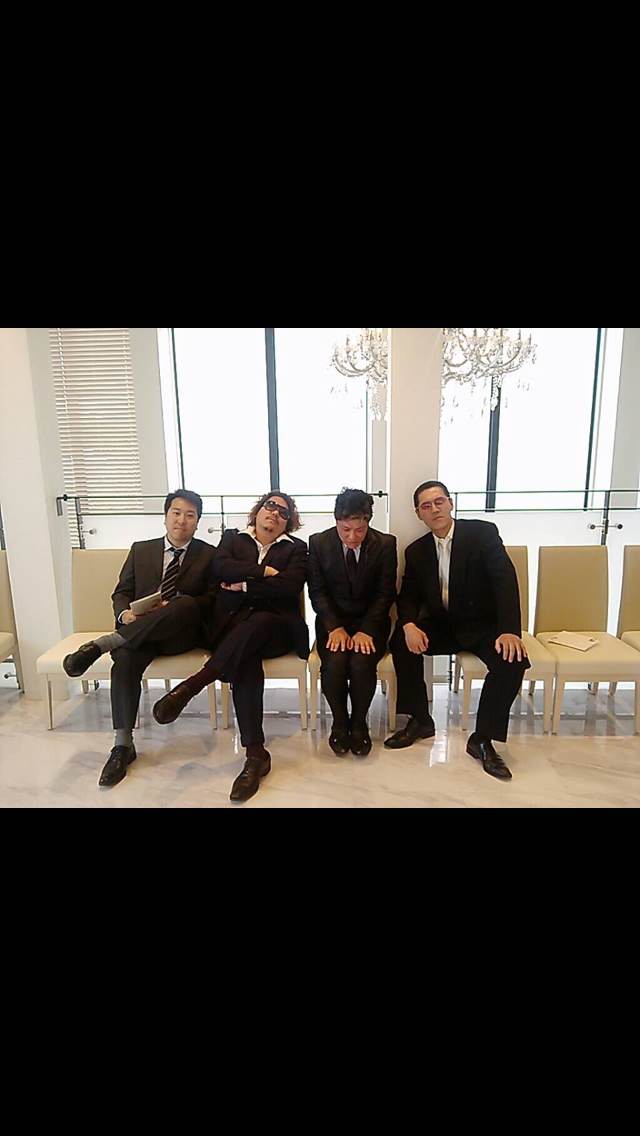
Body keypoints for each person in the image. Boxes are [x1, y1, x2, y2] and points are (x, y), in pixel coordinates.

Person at [152, 492, 309, 803]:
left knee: (261, 621)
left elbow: (289, 586)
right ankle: (255, 755)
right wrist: (264, 573)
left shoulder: (297, 548)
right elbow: (222, 569)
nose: (274, 513)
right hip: (234, 628)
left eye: (283, 511)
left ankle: (194, 684)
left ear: (288, 521)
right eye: (270, 506)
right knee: (245, 656)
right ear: (258, 511)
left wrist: (245, 584)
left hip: (278, 629)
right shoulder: (232, 539)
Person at [63, 490, 215, 787]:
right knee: (125, 660)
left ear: (197, 522)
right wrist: (125, 615)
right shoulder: (141, 549)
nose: (181, 520)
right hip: (139, 634)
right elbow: (122, 592)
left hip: (180, 634)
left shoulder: (209, 554)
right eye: (176, 513)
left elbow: (212, 600)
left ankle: (102, 644)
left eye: (190, 515)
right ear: (165, 516)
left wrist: (173, 606)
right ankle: (122, 746)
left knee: (185, 603)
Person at [384, 481, 529, 780]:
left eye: (439, 502)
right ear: (418, 513)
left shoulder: (482, 533)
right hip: (442, 625)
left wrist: (509, 630)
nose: (434, 509)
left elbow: (504, 580)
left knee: (512, 660)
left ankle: (483, 739)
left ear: (450, 503)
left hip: (482, 625)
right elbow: (408, 594)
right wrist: (408, 624)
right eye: (426, 506)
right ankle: (420, 720)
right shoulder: (416, 551)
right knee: (400, 641)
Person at [308, 488, 396, 756]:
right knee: (334, 663)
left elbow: (385, 593)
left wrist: (367, 630)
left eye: (359, 530)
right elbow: (317, 592)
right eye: (346, 530)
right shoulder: (319, 543)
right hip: (332, 622)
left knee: (360, 663)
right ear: (336, 520)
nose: (352, 537)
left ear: (368, 521)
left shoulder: (385, 544)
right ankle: (339, 722)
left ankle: (358, 724)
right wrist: (334, 627)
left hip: (371, 623)